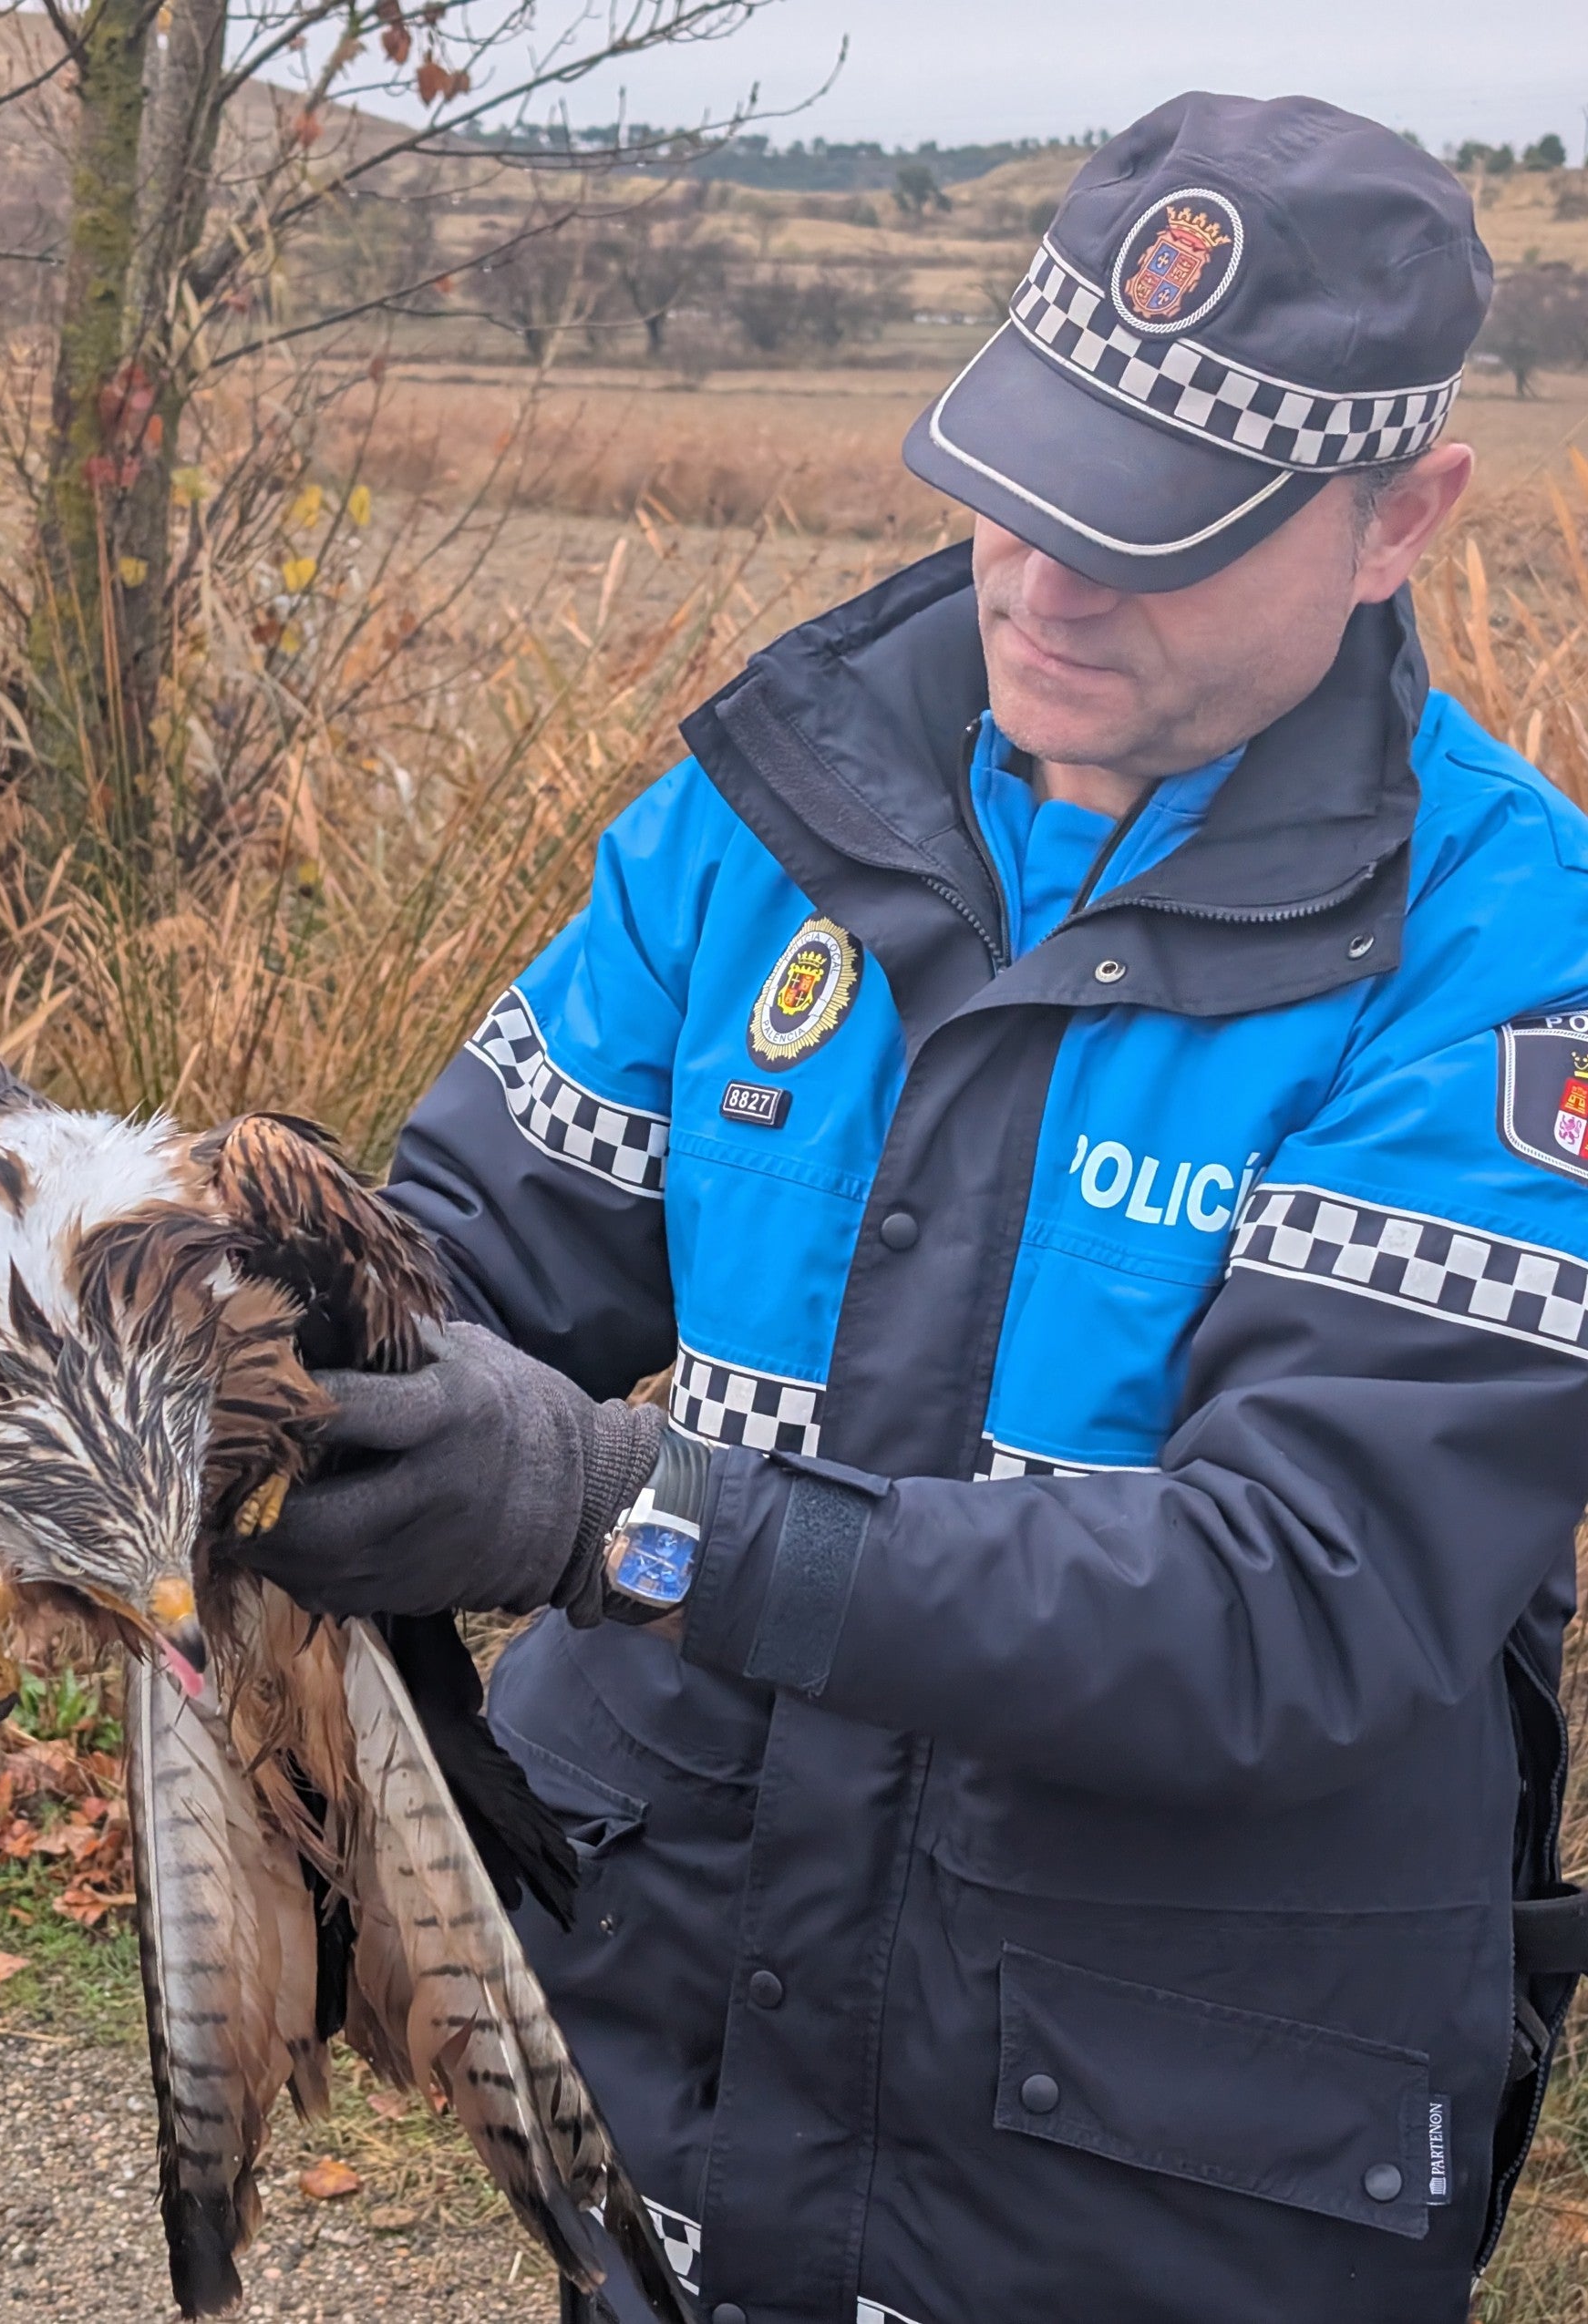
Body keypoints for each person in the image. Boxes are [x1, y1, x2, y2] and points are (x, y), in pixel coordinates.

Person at [242, 91, 1588, 2324]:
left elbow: (1296, 1603)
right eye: (1016, 485)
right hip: (669, 2071)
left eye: (1155, 535)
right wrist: (212, 1328)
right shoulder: (766, 807)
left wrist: (622, 1520)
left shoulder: (1510, 963)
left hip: (1160, 2163)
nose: (1046, 581)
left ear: (1397, 519)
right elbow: (459, 1252)